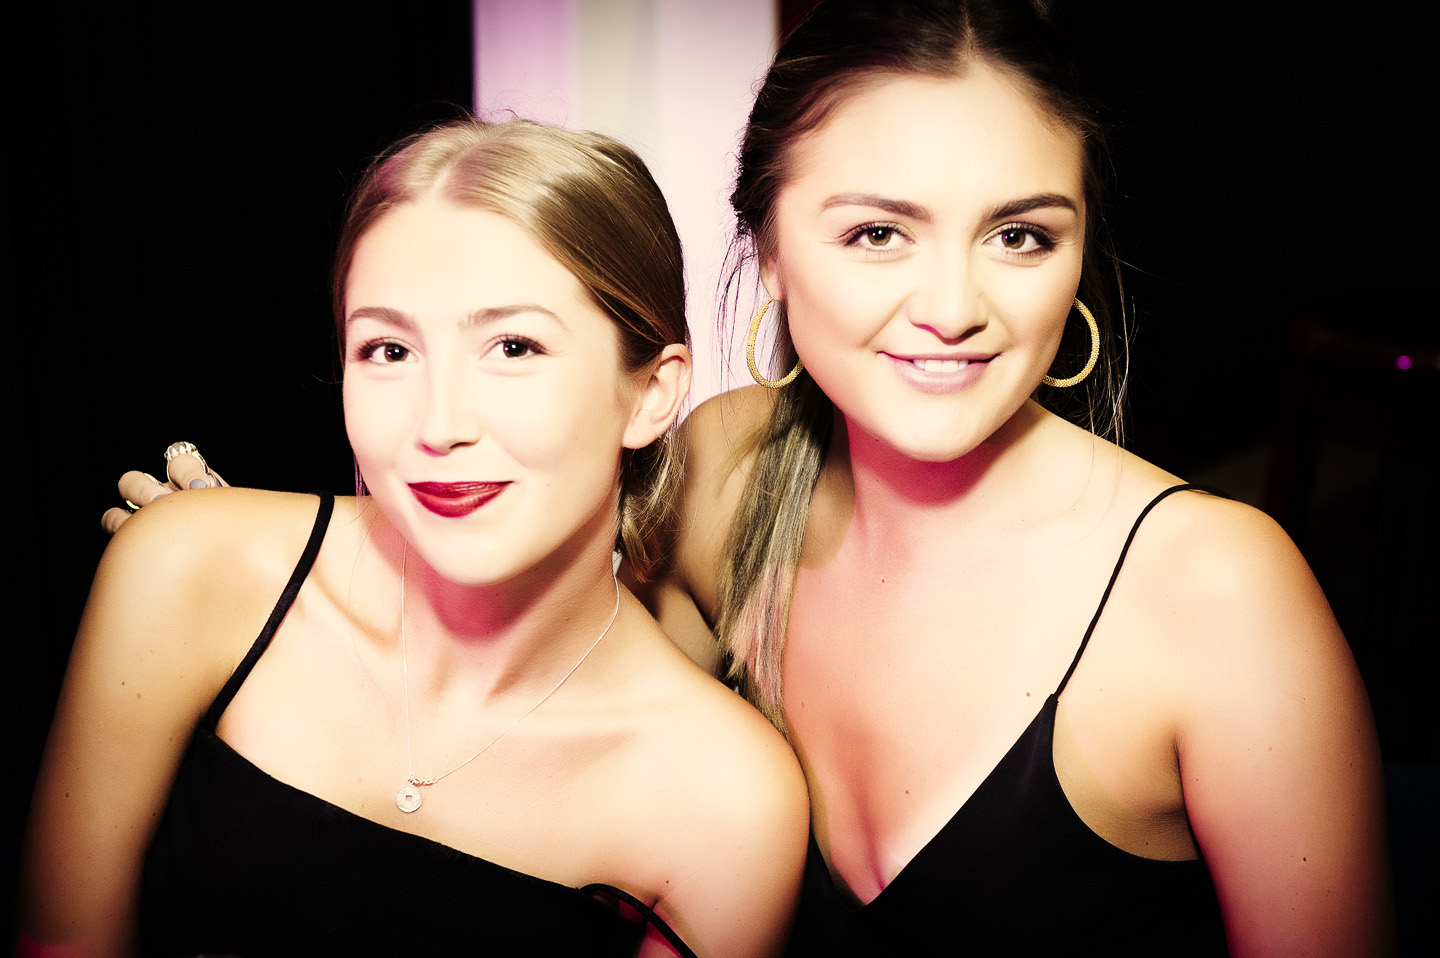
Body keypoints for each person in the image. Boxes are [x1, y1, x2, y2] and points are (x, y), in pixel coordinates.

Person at [96, 1, 1394, 954]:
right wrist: (256, 595)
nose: (954, 305)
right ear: (766, 248)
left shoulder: (1217, 597)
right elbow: (533, 688)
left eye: (1019, 235)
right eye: (877, 232)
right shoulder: (724, 466)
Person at [21, 118, 809, 958]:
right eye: (388, 350)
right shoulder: (190, 568)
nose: (438, 424)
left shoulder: (725, 800)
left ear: (652, 393)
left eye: (513, 346)